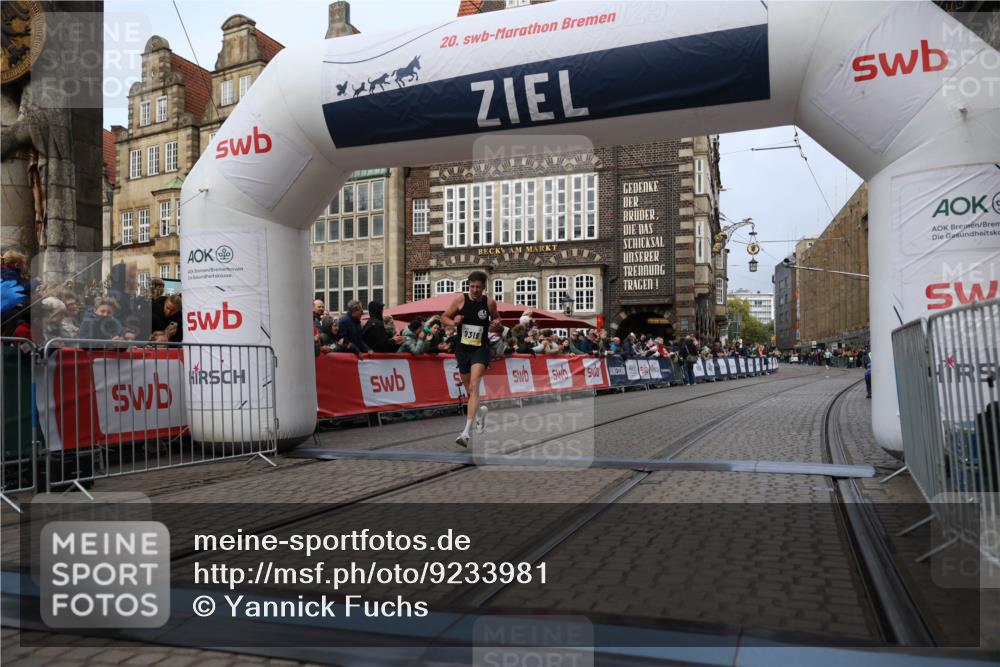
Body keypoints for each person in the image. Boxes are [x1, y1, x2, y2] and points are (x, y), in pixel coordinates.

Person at [441, 270, 500, 448]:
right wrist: (454, 323)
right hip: (462, 348)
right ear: (468, 285)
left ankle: (466, 432)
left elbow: (497, 320)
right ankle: (480, 414)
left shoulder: (489, 303)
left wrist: (497, 323)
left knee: (474, 386)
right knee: (469, 390)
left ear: (483, 288)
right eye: (472, 286)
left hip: (480, 349)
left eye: (478, 287)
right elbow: (444, 317)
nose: (475, 290)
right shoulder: (460, 300)